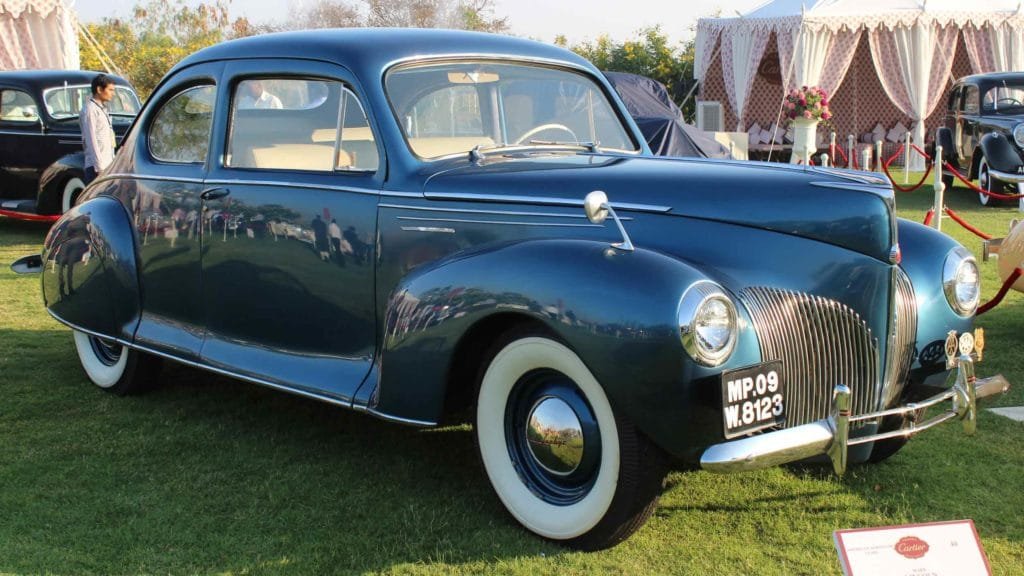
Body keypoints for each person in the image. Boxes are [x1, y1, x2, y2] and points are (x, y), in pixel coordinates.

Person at [80, 74, 117, 185]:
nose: (112, 93)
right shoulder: (90, 110)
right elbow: (91, 140)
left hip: (107, 164)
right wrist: (99, 167)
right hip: (96, 167)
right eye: (110, 90)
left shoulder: (102, 109)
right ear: (99, 89)